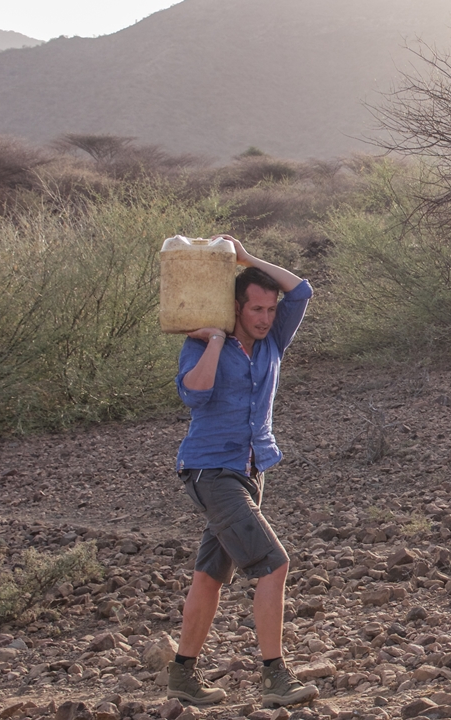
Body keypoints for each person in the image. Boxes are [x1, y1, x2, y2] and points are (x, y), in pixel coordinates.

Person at [166, 235, 318, 708]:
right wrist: (214, 339)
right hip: (211, 471)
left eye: (270, 310)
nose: (266, 318)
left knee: (209, 575)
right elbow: (194, 394)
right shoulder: (201, 343)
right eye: (256, 310)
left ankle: (181, 677)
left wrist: (248, 259)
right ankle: (275, 678)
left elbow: (302, 292)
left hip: (251, 468)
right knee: (274, 565)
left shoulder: (273, 340)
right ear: (237, 306)